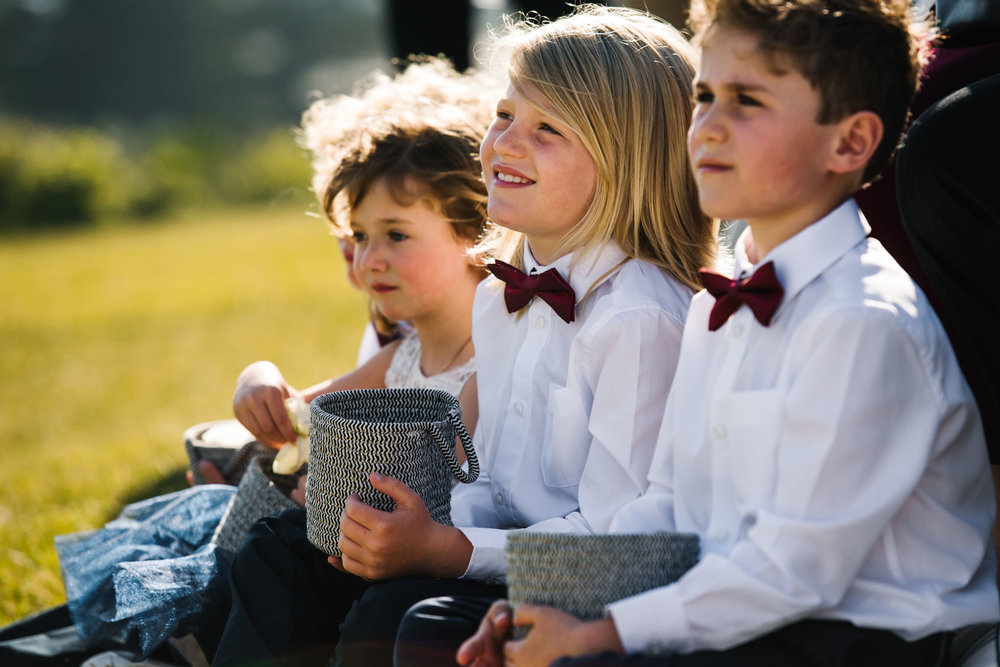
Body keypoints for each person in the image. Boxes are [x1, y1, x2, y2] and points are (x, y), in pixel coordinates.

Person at [447, 0, 1000, 665]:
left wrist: (606, 631)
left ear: (850, 142)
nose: (706, 127)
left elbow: (795, 570)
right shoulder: (723, 299)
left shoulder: (862, 320)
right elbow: (667, 512)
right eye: (704, 97)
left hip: (868, 634)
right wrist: (543, 595)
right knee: (444, 627)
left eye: (747, 103)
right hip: (745, 606)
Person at [210, 6, 718, 667]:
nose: (504, 142)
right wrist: (397, 516)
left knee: (400, 615)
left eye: (547, 129)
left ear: (626, 159)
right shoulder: (503, 291)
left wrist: (444, 550)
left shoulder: (638, 319)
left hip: (571, 586)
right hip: (478, 548)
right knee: (283, 549)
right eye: (505, 114)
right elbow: (479, 469)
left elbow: (620, 548)